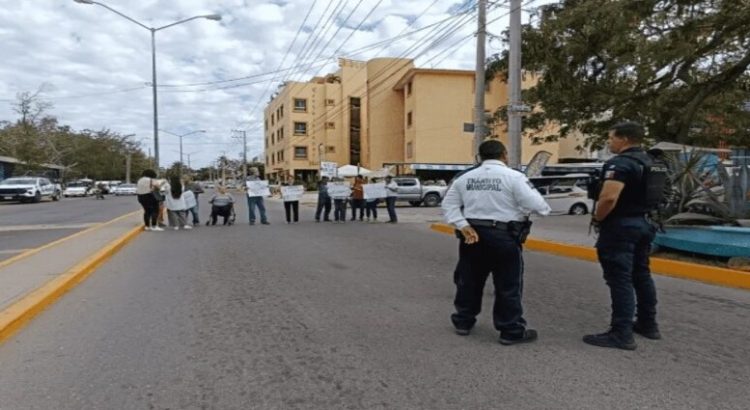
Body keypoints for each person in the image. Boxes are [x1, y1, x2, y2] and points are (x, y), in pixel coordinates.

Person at [442, 140, 551, 345]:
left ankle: (463, 321)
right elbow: (539, 207)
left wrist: (462, 225)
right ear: (504, 155)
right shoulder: (515, 177)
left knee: (469, 280)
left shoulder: (465, 178)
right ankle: (510, 329)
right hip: (504, 236)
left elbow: (449, 205)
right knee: (508, 284)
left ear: (479, 157)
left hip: (471, 234)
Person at [584, 122, 665, 350]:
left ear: (625, 139)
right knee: (641, 274)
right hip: (645, 223)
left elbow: (609, 198)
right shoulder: (652, 161)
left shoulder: (620, 163)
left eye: (611, 138)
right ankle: (648, 324)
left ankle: (621, 333)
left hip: (621, 227)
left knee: (620, 278)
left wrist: (598, 218)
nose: (609, 142)